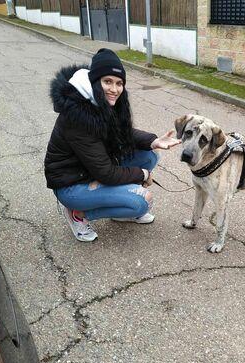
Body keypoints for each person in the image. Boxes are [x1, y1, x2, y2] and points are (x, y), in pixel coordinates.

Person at [44, 49, 180, 242]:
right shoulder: (78, 115)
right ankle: (78, 215)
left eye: (119, 83)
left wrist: (153, 141)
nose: (114, 89)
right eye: (107, 81)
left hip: (91, 169)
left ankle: (119, 205)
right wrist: (143, 175)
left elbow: (123, 133)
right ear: (95, 82)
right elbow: (105, 172)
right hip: (72, 185)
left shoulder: (99, 101)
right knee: (141, 202)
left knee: (149, 154)